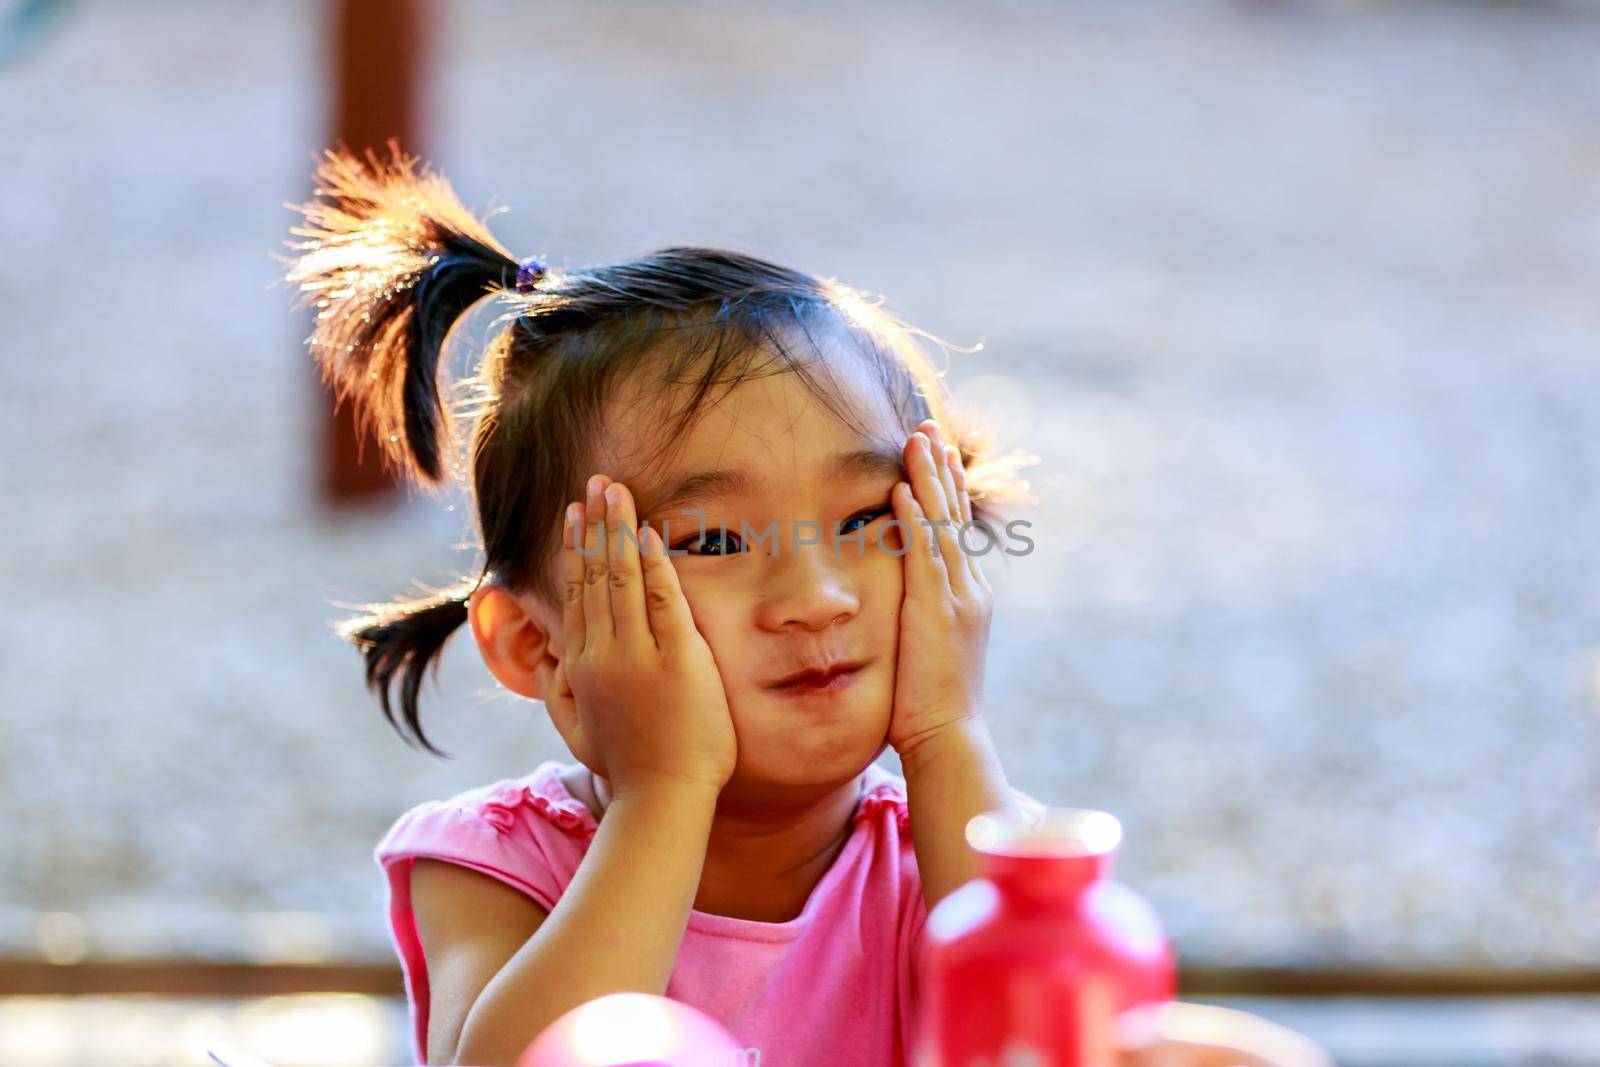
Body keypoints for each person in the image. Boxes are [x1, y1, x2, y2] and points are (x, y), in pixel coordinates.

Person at [284, 146, 1334, 1067]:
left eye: (870, 519)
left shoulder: (943, 845)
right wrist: (663, 788)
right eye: (715, 541)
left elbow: (1049, 1017)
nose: (815, 596)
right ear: (535, 645)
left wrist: (943, 729)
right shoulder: (500, 866)